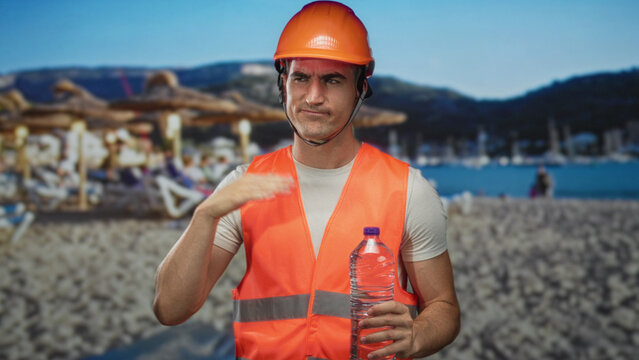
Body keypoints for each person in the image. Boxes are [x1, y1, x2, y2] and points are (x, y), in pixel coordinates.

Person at [153, 2, 460, 359]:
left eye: (332, 80)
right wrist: (204, 215)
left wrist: (419, 334)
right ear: (283, 83)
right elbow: (170, 310)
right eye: (301, 77)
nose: (313, 97)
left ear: (360, 88)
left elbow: (445, 307)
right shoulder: (244, 185)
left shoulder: (408, 190)